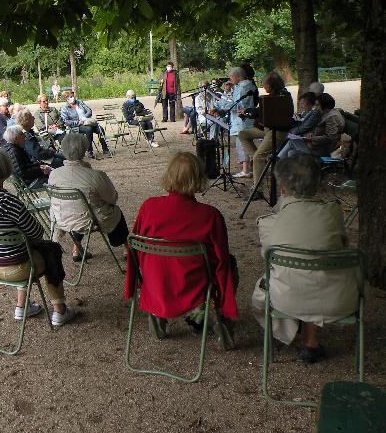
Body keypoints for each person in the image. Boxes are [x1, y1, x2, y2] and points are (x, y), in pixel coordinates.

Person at [251, 155, 360, 363]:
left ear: (281, 187)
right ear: (317, 184)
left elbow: (269, 261)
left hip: (285, 301)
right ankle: (311, 343)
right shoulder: (333, 212)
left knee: (287, 277)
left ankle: (292, 333)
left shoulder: (268, 223)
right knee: (317, 273)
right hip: (338, 299)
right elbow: (341, 244)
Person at [125, 152, 238, 344]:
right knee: (231, 263)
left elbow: (134, 247)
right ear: (199, 179)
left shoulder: (149, 207)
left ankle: (158, 312)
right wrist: (223, 300)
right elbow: (221, 260)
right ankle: (212, 317)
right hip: (194, 285)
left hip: (155, 281)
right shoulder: (210, 215)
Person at [0, 148, 76, 326]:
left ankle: (22, 306)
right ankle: (60, 310)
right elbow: (36, 232)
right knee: (51, 249)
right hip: (16, 268)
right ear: (5, 170)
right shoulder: (10, 202)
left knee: (23, 249)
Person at [48, 133, 128, 260]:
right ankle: (127, 249)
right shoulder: (96, 176)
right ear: (84, 150)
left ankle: (77, 247)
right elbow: (112, 198)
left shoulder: (54, 174)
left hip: (63, 218)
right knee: (114, 211)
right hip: (89, 220)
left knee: (77, 209)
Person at [237, 71, 295, 180]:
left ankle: (257, 189)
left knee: (259, 156)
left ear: (271, 85)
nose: (264, 87)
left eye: (265, 85)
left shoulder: (282, 96)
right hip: (268, 128)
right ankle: (258, 161)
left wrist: (248, 111)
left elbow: (266, 111)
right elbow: (263, 112)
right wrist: (248, 112)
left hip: (277, 131)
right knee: (243, 134)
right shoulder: (275, 95)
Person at [214, 66, 257, 178]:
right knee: (241, 144)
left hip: (242, 120)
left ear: (238, 76)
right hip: (239, 119)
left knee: (242, 144)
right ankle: (247, 168)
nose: (230, 79)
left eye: (231, 76)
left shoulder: (244, 87)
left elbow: (238, 105)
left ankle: (246, 170)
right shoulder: (240, 86)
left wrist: (223, 107)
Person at [278, 93, 344, 159]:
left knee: (292, 141)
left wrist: (312, 139)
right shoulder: (330, 113)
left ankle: (276, 161)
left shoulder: (331, 117)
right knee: (291, 153)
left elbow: (330, 137)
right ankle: (281, 164)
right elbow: (323, 132)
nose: (316, 108)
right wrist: (312, 134)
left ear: (324, 105)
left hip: (323, 150)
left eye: (317, 105)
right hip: (319, 146)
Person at [59, 90, 110, 157]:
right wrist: (78, 122)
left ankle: (105, 148)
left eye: (72, 96)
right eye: (70, 97)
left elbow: (89, 111)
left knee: (100, 128)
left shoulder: (80, 102)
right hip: (77, 126)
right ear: (66, 99)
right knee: (88, 129)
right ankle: (89, 151)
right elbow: (66, 121)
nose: (72, 98)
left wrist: (83, 118)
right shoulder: (64, 108)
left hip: (87, 121)